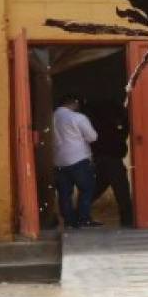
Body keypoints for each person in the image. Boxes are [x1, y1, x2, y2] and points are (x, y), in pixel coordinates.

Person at [52, 94, 102, 229]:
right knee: (86, 189)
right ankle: (83, 219)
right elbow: (92, 137)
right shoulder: (77, 117)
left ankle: (69, 221)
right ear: (74, 103)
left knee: (64, 193)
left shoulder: (51, 117)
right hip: (78, 159)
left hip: (58, 161)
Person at [86, 100, 134, 227]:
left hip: (102, 159)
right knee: (122, 190)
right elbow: (123, 134)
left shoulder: (98, 124)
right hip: (112, 160)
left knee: (98, 187)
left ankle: (79, 212)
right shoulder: (114, 126)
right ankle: (127, 220)